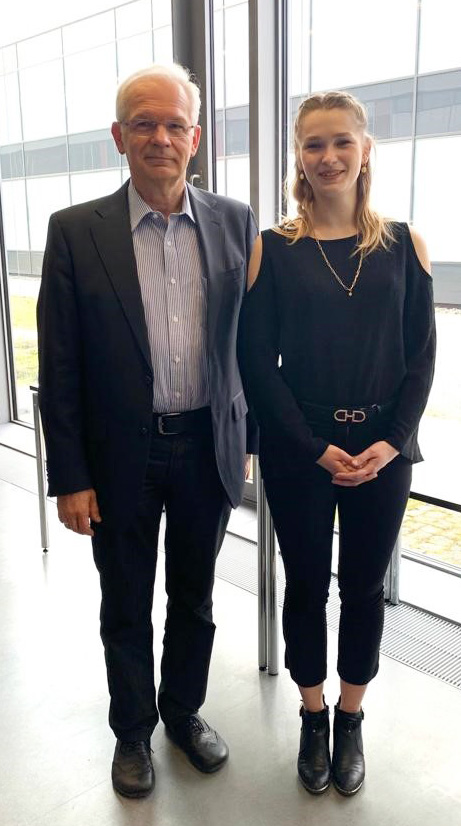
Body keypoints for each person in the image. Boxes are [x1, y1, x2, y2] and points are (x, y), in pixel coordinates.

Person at [37, 63, 257, 798]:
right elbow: (60, 362)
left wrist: (248, 441)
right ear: (118, 137)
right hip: (119, 454)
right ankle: (131, 730)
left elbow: (252, 343)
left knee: (194, 597)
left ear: (195, 137)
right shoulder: (74, 232)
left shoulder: (234, 221)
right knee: (125, 600)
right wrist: (69, 475)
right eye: (143, 124)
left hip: (205, 447)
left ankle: (182, 713)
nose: (159, 138)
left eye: (173, 125)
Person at [238, 91, 436, 797]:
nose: (327, 157)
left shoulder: (405, 244)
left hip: (383, 450)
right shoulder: (273, 248)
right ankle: (311, 712)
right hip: (301, 449)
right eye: (313, 144)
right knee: (304, 586)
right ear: (299, 155)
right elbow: (256, 365)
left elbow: (420, 360)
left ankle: (350, 717)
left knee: (361, 589)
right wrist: (313, 446)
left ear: (364, 150)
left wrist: (390, 442)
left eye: (340, 143)